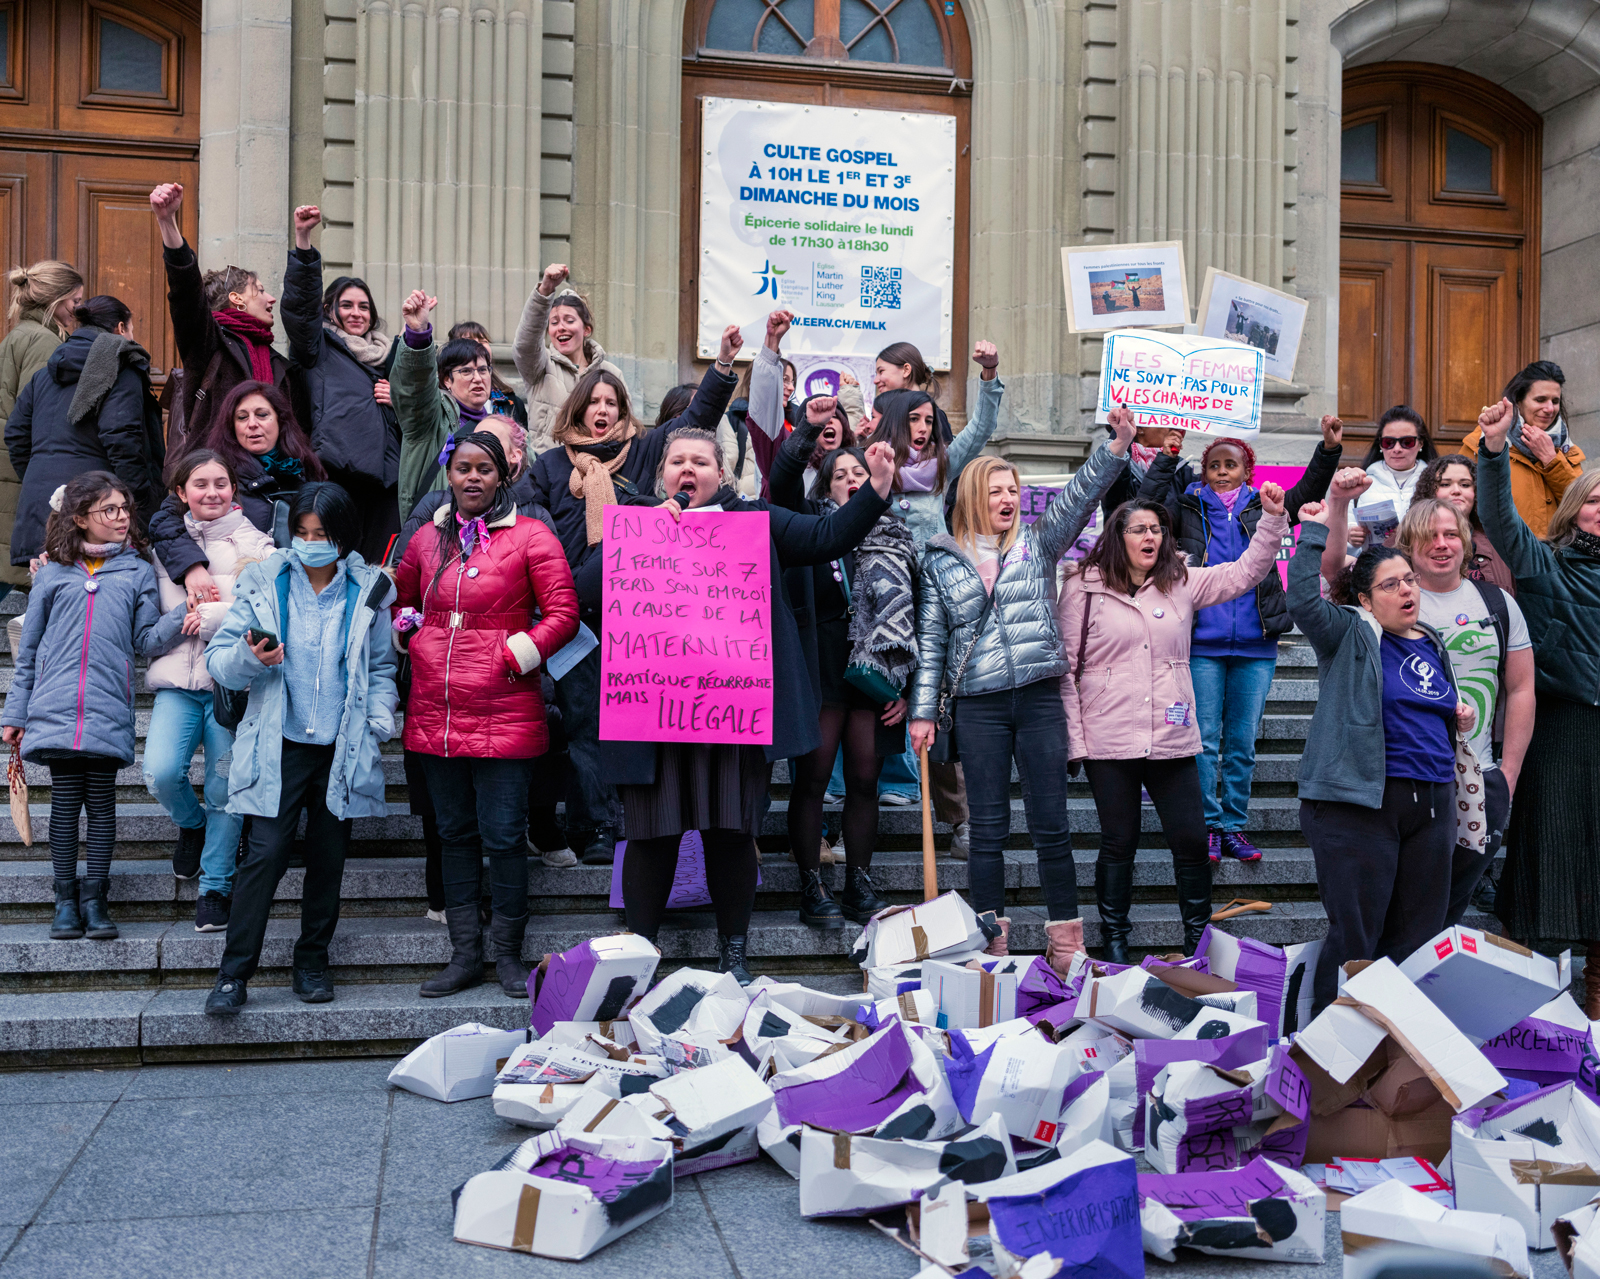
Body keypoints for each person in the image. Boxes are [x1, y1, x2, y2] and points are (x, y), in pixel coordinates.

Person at [611, 428, 897, 984]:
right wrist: (650, 536)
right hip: (655, 712)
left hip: (732, 713)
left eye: (700, 461)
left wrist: (876, 490)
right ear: (661, 475)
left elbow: (825, 536)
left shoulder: (755, 519)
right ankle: (640, 954)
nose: (687, 470)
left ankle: (734, 952)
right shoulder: (635, 519)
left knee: (732, 832)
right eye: (677, 462)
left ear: (722, 475)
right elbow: (590, 588)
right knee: (653, 834)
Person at [908, 409, 1137, 973]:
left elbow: (1080, 497)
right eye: (996, 491)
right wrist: (922, 712)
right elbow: (932, 640)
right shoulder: (940, 559)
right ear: (971, 497)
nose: (1007, 499)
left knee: (1051, 825)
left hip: (1037, 697)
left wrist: (1117, 447)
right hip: (978, 704)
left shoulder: (1036, 544)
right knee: (986, 830)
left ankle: (1066, 942)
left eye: (1013, 490)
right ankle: (991, 942)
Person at [529, 330, 740, 864]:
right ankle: (594, 829)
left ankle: (637, 824)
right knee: (583, 725)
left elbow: (694, 421)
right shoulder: (550, 468)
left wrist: (721, 365)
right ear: (577, 409)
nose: (602, 410)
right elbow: (535, 531)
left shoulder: (644, 457)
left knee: (635, 724)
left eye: (612, 403)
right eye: (594, 402)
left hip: (639, 616)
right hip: (574, 616)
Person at [1062, 486, 1290, 960]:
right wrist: (1075, 742)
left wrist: (1271, 519)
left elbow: (1245, 573)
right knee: (1118, 841)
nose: (1151, 537)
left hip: (1171, 734)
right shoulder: (1084, 585)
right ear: (1116, 536)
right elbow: (1067, 667)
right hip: (1108, 736)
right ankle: (1116, 938)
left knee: (1190, 840)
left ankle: (1197, 940)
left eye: (1158, 529)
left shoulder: (1181, 580)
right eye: (1139, 529)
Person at [201, 483, 398, 1016]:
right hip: (278, 743)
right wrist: (250, 659)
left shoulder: (371, 590)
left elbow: (380, 666)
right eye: (303, 532)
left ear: (344, 536)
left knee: (328, 860)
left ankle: (311, 961)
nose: (311, 543)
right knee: (263, 857)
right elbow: (219, 661)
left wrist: (378, 721)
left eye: (323, 534)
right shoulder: (265, 581)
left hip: (341, 747)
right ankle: (232, 973)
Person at [396, 431, 578, 998]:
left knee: (502, 836)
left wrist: (516, 654)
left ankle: (507, 956)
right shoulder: (426, 538)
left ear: (502, 476)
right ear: (449, 474)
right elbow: (402, 598)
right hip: (437, 709)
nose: (473, 478)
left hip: (505, 704)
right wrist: (410, 636)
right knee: (453, 834)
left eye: (484, 469)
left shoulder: (531, 535)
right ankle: (464, 955)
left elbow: (564, 612)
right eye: (463, 468)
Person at [1289, 502, 1475, 1014]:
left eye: (1409, 580)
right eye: (1392, 585)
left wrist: (1455, 716)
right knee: (1357, 938)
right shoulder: (1349, 633)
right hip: (1360, 804)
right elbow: (1303, 602)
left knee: (1416, 938)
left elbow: (1425, 703)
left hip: (1431, 802)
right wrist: (1312, 531)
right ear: (1367, 601)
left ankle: (1399, 1056)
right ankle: (1331, 1055)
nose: (1407, 590)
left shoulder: (1431, 641)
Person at [1136, 418, 1344, 859]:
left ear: (1247, 470)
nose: (1222, 471)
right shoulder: (1185, 507)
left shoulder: (1265, 504)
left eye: (1231, 464)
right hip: (1203, 645)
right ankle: (1209, 826)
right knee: (1205, 739)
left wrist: (1328, 447)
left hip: (1256, 644)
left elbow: (1309, 488)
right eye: (1214, 465)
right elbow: (1145, 505)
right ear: (1204, 471)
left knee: (1243, 744)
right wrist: (1168, 458)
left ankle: (1234, 825)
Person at [1, 473, 186, 941]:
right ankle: (65, 900)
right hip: (55, 709)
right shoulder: (53, 574)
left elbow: (145, 640)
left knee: (102, 807)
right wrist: (14, 714)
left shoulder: (137, 570)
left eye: (125, 508)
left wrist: (182, 616)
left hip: (107, 708)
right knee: (64, 807)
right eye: (110, 510)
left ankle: (95, 899)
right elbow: (30, 651)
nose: (122, 517)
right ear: (80, 518)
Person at [1472, 396, 1600, 1015]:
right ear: (1576, 509)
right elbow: (1498, 518)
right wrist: (1494, 453)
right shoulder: (1545, 563)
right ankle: (1540, 1016)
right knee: (1551, 869)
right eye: (1595, 498)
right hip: (1562, 733)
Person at [770, 423, 916, 925]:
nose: (852, 479)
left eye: (861, 472)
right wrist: (808, 428)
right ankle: (812, 885)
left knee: (863, 779)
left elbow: (913, 620)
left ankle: (859, 881)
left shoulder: (898, 536)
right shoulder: (808, 524)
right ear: (826, 486)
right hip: (820, 666)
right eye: (841, 475)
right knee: (812, 780)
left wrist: (906, 686)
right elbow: (783, 477)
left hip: (871, 676)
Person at [144, 450, 276, 931]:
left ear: (234, 490)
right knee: (159, 772)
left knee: (225, 788)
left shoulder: (258, 547)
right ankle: (192, 826)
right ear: (181, 493)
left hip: (230, 687)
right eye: (200, 484)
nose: (213, 492)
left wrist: (219, 618)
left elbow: (269, 616)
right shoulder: (160, 549)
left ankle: (216, 887)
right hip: (178, 682)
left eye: (221, 483)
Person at [1395, 497, 1534, 925]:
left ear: (1466, 542)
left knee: (1450, 906)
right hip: (1410, 781)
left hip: (1480, 780)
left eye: (1451, 534)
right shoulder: (1392, 601)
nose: (1441, 544)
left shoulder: (1497, 603)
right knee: (1404, 907)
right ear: (1408, 545)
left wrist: (1506, 776)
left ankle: (1431, 984)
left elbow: (1522, 687)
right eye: (1429, 536)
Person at [7, 296, 166, 568]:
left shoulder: (44, 374)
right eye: (131, 329)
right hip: (97, 514)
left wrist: (42, 481)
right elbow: (121, 438)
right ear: (120, 328)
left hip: (46, 509)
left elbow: (15, 435)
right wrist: (134, 504)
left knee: (56, 602)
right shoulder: (122, 368)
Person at [282, 205, 402, 564]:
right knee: (331, 564)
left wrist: (399, 401)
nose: (356, 313)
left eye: (364, 307)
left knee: (377, 568)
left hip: (385, 481)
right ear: (329, 310)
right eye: (346, 305)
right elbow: (300, 309)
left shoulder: (387, 353)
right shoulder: (317, 346)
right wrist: (304, 243)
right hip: (337, 472)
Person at [146, 381, 327, 601]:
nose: (252, 424)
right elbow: (163, 523)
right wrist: (191, 566)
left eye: (262, 415)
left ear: (280, 420)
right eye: (242, 417)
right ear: (232, 426)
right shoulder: (215, 474)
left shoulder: (307, 471)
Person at [150, 183, 292, 451]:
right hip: (220, 475)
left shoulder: (276, 361)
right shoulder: (208, 343)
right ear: (236, 300)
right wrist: (167, 222)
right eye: (260, 290)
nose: (271, 298)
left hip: (274, 477)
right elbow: (187, 295)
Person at [0, 261, 84, 597]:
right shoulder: (45, 344)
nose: (79, 310)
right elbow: (38, 419)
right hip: (16, 475)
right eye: (76, 301)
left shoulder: (20, 334)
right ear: (57, 302)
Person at [393, 290, 501, 515]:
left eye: (483, 370)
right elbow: (415, 386)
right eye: (466, 371)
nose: (478, 378)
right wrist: (418, 334)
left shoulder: (501, 426)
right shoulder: (429, 418)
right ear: (446, 380)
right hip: (435, 533)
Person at [1460, 361, 1588, 540]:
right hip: (1499, 560)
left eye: (1555, 401)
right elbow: (1457, 504)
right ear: (1518, 402)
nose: (1550, 409)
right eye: (1540, 400)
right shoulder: (1482, 442)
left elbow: (1583, 505)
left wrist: (1552, 460)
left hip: (1555, 561)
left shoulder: (1567, 450)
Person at [512, 264, 620, 454]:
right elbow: (525, 344)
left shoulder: (610, 373)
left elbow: (624, 426)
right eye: (554, 323)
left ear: (586, 329)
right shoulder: (541, 366)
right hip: (549, 475)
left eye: (569, 321)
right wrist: (545, 290)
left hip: (600, 470)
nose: (561, 327)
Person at [1413, 453, 1516, 595]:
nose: (1456, 491)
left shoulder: (1500, 541)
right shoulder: (1407, 537)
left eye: (1465, 485)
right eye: (1445, 484)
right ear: (1428, 491)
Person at [1354, 406, 1437, 532]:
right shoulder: (1359, 483)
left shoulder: (1438, 483)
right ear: (1380, 445)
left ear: (1421, 443)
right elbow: (1345, 529)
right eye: (1389, 442)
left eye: (1407, 442)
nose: (1397, 449)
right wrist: (1352, 536)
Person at [450, 319, 528, 427]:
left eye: (483, 341)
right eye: (470, 341)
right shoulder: (445, 406)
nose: (478, 345)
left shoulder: (512, 402)